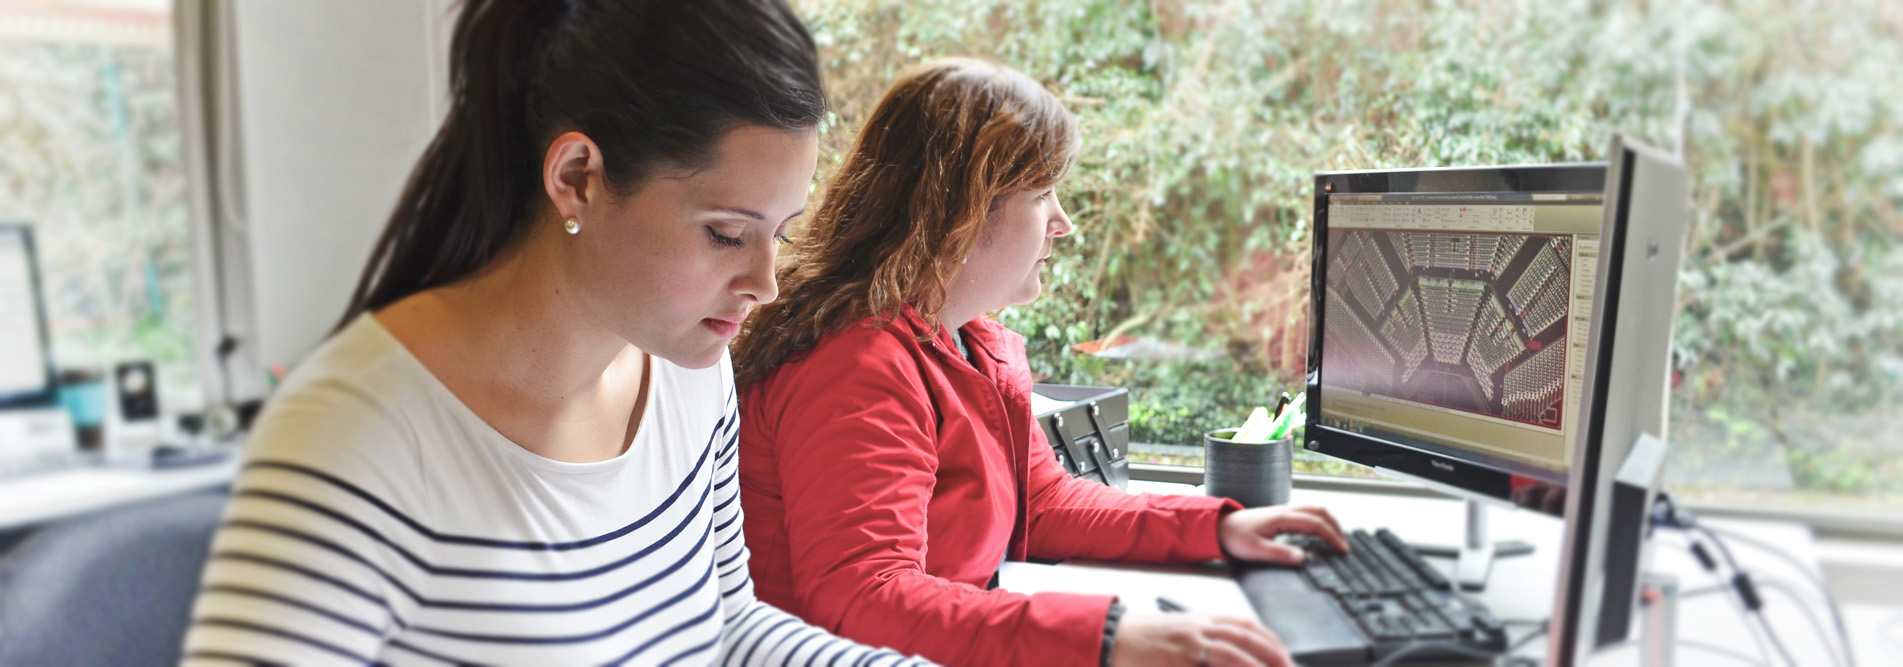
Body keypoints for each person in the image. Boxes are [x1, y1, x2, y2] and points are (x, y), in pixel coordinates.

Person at [180, 1, 935, 664]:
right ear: (577, 176)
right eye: (726, 234)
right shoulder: (353, 433)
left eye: (781, 234)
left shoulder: (689, 374)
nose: (764, 285)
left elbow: (725, 625)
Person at [731, 58, 1351, 667]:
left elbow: (1047, 504)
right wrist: (1104, 638)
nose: (1065, 223)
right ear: (959, 213)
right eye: (1042, 194)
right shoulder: (856, 365)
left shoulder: (965, 342)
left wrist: (1220, 528)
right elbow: (863, 599)